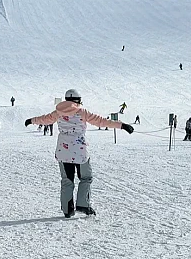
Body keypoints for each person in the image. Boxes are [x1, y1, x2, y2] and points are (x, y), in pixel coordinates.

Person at [24, 89, 133, 217]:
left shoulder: (58, 112)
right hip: (80, 151)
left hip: (63, 151)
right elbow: (101, 121)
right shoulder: (82, 112)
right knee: (86, 178)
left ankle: (67, 209)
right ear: (77, 100)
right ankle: (83, 204)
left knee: (67, 180)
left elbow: (45, 119)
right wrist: (122, 125)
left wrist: (31, 120)